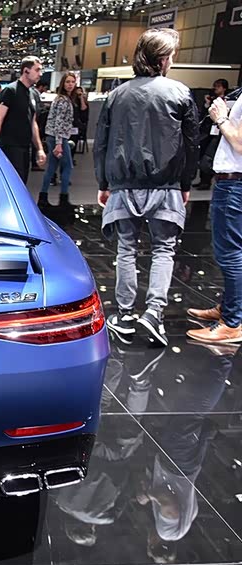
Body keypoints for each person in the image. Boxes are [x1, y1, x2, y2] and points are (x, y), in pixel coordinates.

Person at [96, 28, 199, 346]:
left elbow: (102, 143)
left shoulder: (116, 95)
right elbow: (191, 145)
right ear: (163, 58)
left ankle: (125, 315)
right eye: (172, 56)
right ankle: (154, 313)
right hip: (166, 185)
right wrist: (185, 183)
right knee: (164, 249)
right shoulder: (180, 93)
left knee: (126, 248)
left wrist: (103, 183)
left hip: (124, 184)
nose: (172, 61)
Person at [186, 87, 242, 343]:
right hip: (233, 183)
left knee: (230, 254)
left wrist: (220, 118)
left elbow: (239, 143)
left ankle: (232, 322)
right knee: (233, 251)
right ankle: (230, 308)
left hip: (235, 183)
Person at [0, 56, 47, 184]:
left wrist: (39, 148)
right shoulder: (10, 90)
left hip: (25, 147)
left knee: (22, 182)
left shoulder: (33, 94)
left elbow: (33, 122)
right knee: (13, 182)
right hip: (10, 146)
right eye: (37, 70)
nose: (40, 74)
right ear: (26, 70)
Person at [38, 73, 77, 208]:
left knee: (52, 167)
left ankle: (43, 197)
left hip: (54, 136)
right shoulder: (63, 101)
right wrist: (59, 143)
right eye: (67, 82)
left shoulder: (63, 99)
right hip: (58, 138)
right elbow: (59, 122)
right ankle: (63, 198)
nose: (70, 84)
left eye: (72, 82)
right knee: (67, 166)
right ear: (62, 84)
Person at [195, 78, 229, 190]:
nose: (216, 89)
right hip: (207, 131)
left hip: (218, 132)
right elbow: (204, 115)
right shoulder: (212, 100)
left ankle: (207, 181)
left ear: (224, 88)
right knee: (202, 154)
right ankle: (203, 180)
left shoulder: (227, 101)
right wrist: (207, 103)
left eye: (218, 86)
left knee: (208, 157)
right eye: (215, 86)